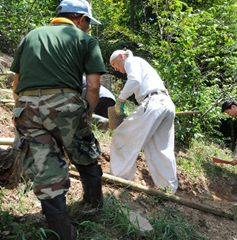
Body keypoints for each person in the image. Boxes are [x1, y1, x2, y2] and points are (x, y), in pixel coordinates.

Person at [10, 0, 106, 239]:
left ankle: (61, 232)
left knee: (44, 167)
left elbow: (16, 84)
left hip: (26, 106)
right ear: (80, 18)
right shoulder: (86, 41)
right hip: (65, 104)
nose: (88, 29)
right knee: (84, 152)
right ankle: (93, 207)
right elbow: (93, 87)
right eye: (88, 24)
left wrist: (20, 111)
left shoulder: (30, 36)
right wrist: (86, 115)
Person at [109, 49, 178, 192]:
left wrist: (120, 100)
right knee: (160, 148)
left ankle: (120, 175)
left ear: (122, 57)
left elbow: (134, 80)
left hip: (153, 103)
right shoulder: (141, 63)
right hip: (166, 103)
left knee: (121, 134)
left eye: (115, 65)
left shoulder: (132, 61)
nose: (117, 70)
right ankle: (168, 188)